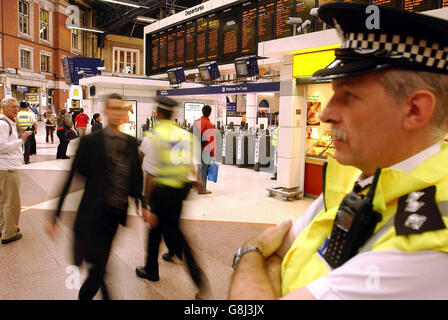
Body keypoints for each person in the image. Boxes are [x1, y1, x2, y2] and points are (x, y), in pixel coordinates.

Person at [228, 3, 448, 300]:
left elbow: (271, 261)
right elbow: (281, 257)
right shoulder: (353, 175)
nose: (325, 114)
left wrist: (249, 253)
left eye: (349, 96)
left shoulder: (428, 244)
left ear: (414, 110)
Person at [47, 93, 143, 300]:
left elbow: (135, 177)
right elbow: (72, 176)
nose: (118, 113)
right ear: (106, 112)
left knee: (101, 263)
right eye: (113, 108)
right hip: (93, 214)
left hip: (115, 215)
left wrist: (141, 203)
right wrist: (55, 214)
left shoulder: (130, 143)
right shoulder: (91, 142)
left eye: (121, 109)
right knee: (99, 266)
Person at [135, 96, 210, 299]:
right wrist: (197, 180)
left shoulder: (154, 136)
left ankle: (193, 278)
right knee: (169, 225)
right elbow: (193, 162)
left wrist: (145, 201)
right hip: (181, 190)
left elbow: (150, 174)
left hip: (162, 191)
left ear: (158, 114)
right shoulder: (183, 135)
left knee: (162, 232)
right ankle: (169, 254)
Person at [0, 97, 32, 244]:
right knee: (12, 202)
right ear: (3, 107)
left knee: (3, 200)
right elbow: (1, 147)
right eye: (12, 107)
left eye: (16, 107)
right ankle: (9, 233)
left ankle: (4, 227)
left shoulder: (7, 123)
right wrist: (21, 140)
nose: (16, 109)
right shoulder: (3, 124)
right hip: (8, 169)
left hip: (5, 168)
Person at [193, 105, 216, 195]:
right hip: (204, 150)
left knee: (197, 168)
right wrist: (213, 154)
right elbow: (211, 141)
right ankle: (202, 189)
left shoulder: (196, 122)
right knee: (204, 169)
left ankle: (197, 186)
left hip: (195, 148)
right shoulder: (209, 124)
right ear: (210, 113)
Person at [270, 112, 279, 180]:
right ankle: (276, 174)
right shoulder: (278, 126)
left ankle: (277, 175)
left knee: (277, 161)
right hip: (276, 146)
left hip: (278, 147)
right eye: (277, 117)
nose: (277, 119)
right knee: (276, 161)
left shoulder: (281, 127)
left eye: (278, 117)